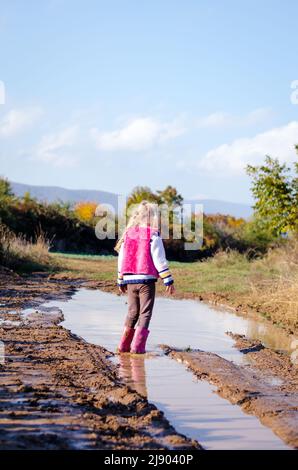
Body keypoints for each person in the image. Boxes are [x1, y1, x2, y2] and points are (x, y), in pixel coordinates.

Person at [115, 201, 175, 354]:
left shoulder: (128, 235)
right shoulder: (153, 235)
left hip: (129, 279)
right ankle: (138, 347)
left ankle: (123, 345)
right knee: (145, 312)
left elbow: (121, 258)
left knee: (132, 312)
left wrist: (120, 278)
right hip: (146, 280)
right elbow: (159, 258)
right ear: (154, 217)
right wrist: (167, 279)